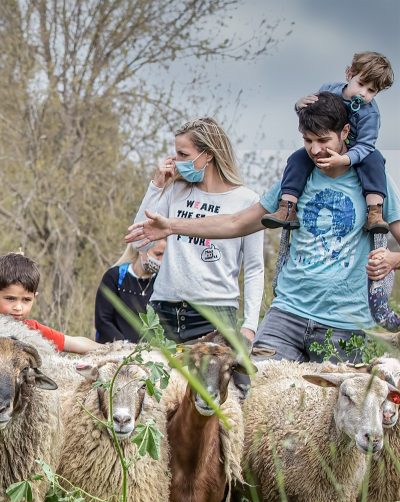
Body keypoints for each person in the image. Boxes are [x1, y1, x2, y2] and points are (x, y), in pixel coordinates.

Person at [127, 93, 400, 362]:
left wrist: (392, 259)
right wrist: (171, 226)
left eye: (324, 140)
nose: (315, 150)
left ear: (345, 132)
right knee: (251, 386)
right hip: (287, 313)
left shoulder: (374, 181)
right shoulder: (297, 180)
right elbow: (237, 222)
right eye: (308, 141)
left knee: (336, 400)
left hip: (344, 321)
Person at [131, 118, 264, 343]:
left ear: (208, 155)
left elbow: (254, 268)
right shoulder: (176, 191)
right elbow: (139, 243)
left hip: (214, 314)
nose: (176, 161)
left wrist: (250, 326)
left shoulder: (246, 200)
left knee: (209, 379)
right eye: (176, 154)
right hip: (163, 310)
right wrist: (156, 186)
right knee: (141, 376)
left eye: (184, 155)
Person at [262, 51, 394, 234]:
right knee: (297, 159)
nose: (363, 93)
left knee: (375, 159)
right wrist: (299, 105)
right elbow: (312, 118)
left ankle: (374, 212)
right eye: (361, 84)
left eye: (371, 91)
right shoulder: (329, 89)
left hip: (356, 151)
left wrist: (346, 159)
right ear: (350, 74)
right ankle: (287, 208)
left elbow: (366, 145)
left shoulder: (370, 113)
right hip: (326, 147)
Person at [0, 253, 101, 354]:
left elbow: (72, 342)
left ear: (34, 298)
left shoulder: (32, 330)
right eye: (10, 299)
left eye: (26, 300)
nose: (18, 307)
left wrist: (111, 350)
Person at [94, 240, 166, 343]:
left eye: (165, 256)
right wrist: (125, 346)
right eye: (158, 254)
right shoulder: (115, 277)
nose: (161, 260)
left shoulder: (161, 283)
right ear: (141, 250)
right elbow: (103, 320)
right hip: (112, 349)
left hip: (147, 353)